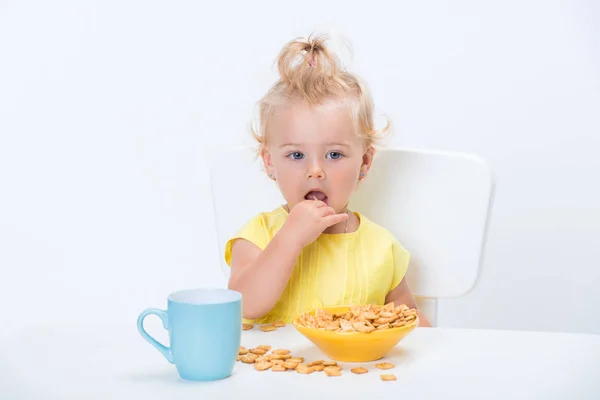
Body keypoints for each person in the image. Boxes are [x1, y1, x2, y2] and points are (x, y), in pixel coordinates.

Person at [225, 33, 431, 327]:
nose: (316, 171)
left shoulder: (382, 248)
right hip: (271, 372)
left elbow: (406, 319)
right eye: (296, 156)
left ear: (365, 162)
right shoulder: (258, 235)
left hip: (354, 372)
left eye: (334, 155)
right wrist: (289, 238)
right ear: (270, 163)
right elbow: (246, 305)